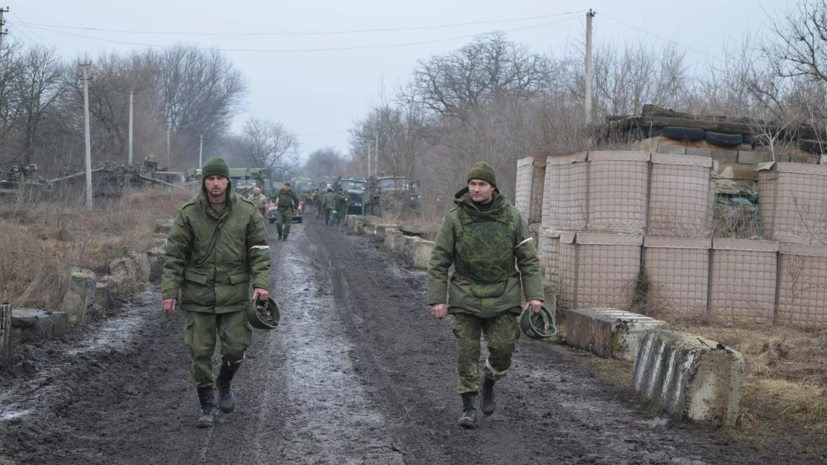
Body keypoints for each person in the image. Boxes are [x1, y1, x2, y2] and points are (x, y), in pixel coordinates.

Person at [426, 161, 543, 429]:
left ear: (492, 187)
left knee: (503, 348)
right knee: (466, 353)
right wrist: (437, 299)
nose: (476, 189)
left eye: (482, 184)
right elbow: (439, 262)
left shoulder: (513, 218)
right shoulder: (455, 219)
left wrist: (535, 296)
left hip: (503, 294)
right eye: (472, 184)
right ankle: (468, 406)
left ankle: (489, 380)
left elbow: (528, 261)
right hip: (465, 294)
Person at [161, 156, 271, 428]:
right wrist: (170, 290)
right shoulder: (189, 213)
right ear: (204, 182)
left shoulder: (246, 211)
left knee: (236, 348)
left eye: (219, 178)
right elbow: (175, 255)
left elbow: (259, 250)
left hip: (233, 295)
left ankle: (224, 381)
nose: (215, 184)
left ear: (227, 181)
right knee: (199, 352)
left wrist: (261, 283)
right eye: (210, 179)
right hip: (198, 296)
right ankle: (207, 406)